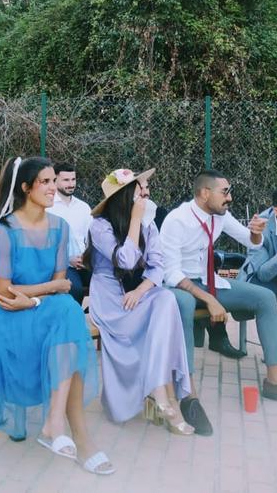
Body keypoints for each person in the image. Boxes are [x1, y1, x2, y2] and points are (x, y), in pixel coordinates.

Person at [0, 156, 113, 476]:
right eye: (45, 182)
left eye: (53, 181)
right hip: (6, 313)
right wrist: (49, 289)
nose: (52, 188)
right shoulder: (4, 231)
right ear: (25, 188)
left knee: (68, 314)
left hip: (38, 306)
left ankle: (55, 423)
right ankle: (72, 434)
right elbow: (7, 292)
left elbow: (59, 288)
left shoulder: (59, 227)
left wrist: (37, 298)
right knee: (70, 319)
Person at [158, 170, 277, 414]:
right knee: (185, 305)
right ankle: (188, 392)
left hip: (206, 281)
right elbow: (170, 273)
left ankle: (276, 381)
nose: (230, 197)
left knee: (264, 297)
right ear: (204, 193)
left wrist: (255, 230)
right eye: (225, 192)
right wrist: (210, 299)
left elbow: (251, 241)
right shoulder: (177, 220)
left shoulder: (219, 214)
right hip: (176, 286)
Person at [85, 168, 193, 435]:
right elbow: (126, 260)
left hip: (135, 294)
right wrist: (135, 221)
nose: (147, 193)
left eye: (146, 188)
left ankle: (157, 391)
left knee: (166, 299)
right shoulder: (100, 226)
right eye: (140, 189)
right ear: (125, 197)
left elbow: (158, 266)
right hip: (110, 299)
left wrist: (141, 291)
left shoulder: (149, 222)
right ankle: (162, 396)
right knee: (163, 310)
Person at [46, 162, 92, 303]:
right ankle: (72, 321)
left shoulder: (83, 207)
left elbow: (91, 238)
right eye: (66, 180)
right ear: (55, 180)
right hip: (61, 264)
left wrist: (88, 257)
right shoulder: (49, 208)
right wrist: (68, 259)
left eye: (73, 179)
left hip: (84, 262)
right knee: (74, 289)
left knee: (107, 283)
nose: (71, 184)